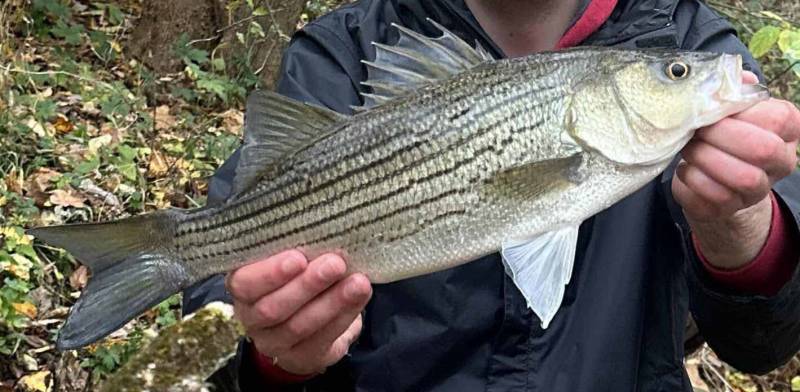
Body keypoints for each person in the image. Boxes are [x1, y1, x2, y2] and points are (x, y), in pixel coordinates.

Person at [182, 0, 800, 390]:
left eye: (676, 74)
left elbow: (766, 348)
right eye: (675, 74)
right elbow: (203, 330)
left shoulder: (696, 42)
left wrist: (743, 230)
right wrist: (275, 360)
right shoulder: (342, 51)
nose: (688, 75)